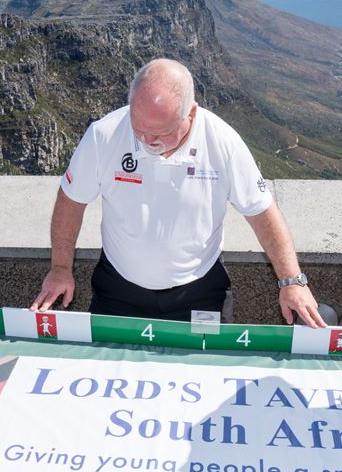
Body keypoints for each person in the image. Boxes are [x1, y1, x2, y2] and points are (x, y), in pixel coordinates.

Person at [31, 58, 325, 327]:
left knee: (205, 373)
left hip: (199, 292)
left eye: (160, 133)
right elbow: (71, 200)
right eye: (139, 129)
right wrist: (59, 268)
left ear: (191, 112)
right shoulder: (103, 135)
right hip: (118, 291)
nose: (148, 141)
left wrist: (293, 282)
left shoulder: (223, 142)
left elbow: (262, 213)